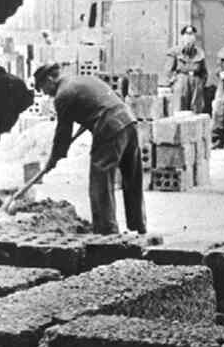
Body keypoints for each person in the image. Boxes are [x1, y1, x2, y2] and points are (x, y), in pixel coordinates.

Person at [35, 63, 146, 235]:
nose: (44, 93)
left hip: (109, 127)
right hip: (129, 121)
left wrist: (53, 160)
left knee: (100, 181)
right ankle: (139, 225)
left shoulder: (62, 95)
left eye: (42, 88)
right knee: (132, 177)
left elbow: (62, 135)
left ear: (49, 80)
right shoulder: (82, 80)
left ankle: (106, 232)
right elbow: (100, 105)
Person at [165, 24, 207, 113]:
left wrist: (200, 84)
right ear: (182, 36)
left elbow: (204, 72)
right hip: (181, 81)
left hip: (196, 82)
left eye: (192, 34)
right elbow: (169, 71)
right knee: (180, 109)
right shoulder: (174, 51)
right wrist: (174, 83)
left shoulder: (199, 52)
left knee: (196, 110)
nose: (190, 37)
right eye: (187, 34)